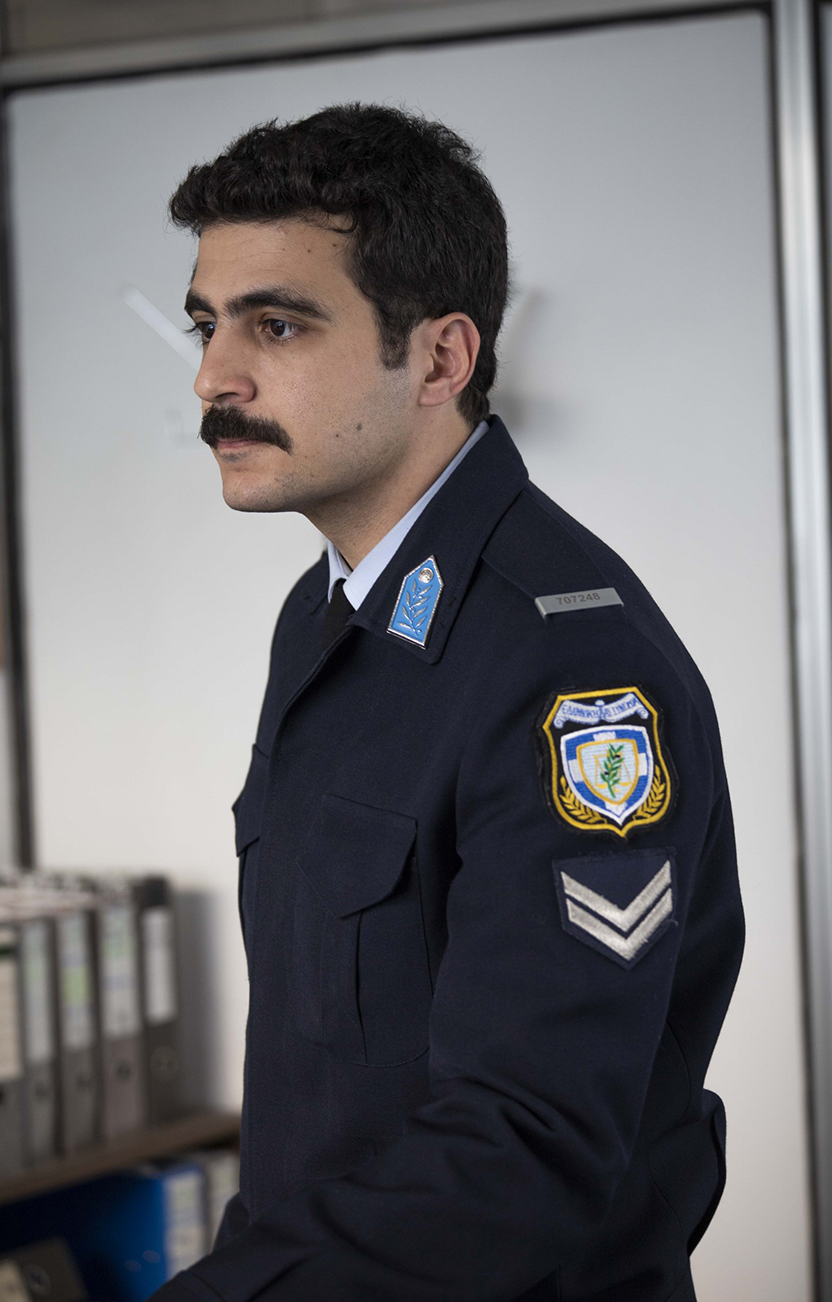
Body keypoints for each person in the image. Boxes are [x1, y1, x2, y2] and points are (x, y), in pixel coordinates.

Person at [151, 104, 744, 1302]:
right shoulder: (327, 613)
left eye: (277, 323)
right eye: (208, 323)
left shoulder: (571, 672)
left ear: (438, 359)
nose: (213, 376)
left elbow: (522, 1151)